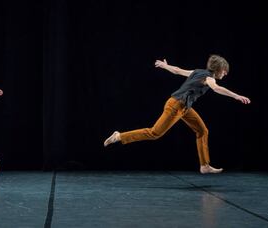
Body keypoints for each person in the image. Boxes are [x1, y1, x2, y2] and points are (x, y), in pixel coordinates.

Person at [104, 55, 251, 174]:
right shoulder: (209, 78)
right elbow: (216, 88)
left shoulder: (197, 72)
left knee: (202, 131)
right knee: (155, 133)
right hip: (176, 106)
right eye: (224, 71)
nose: (225, 73)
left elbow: (178, 70)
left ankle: (205, 165)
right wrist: (236, 96)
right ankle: (120, 136)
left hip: (183, 107)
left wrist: (165, 66)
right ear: (218, 69)